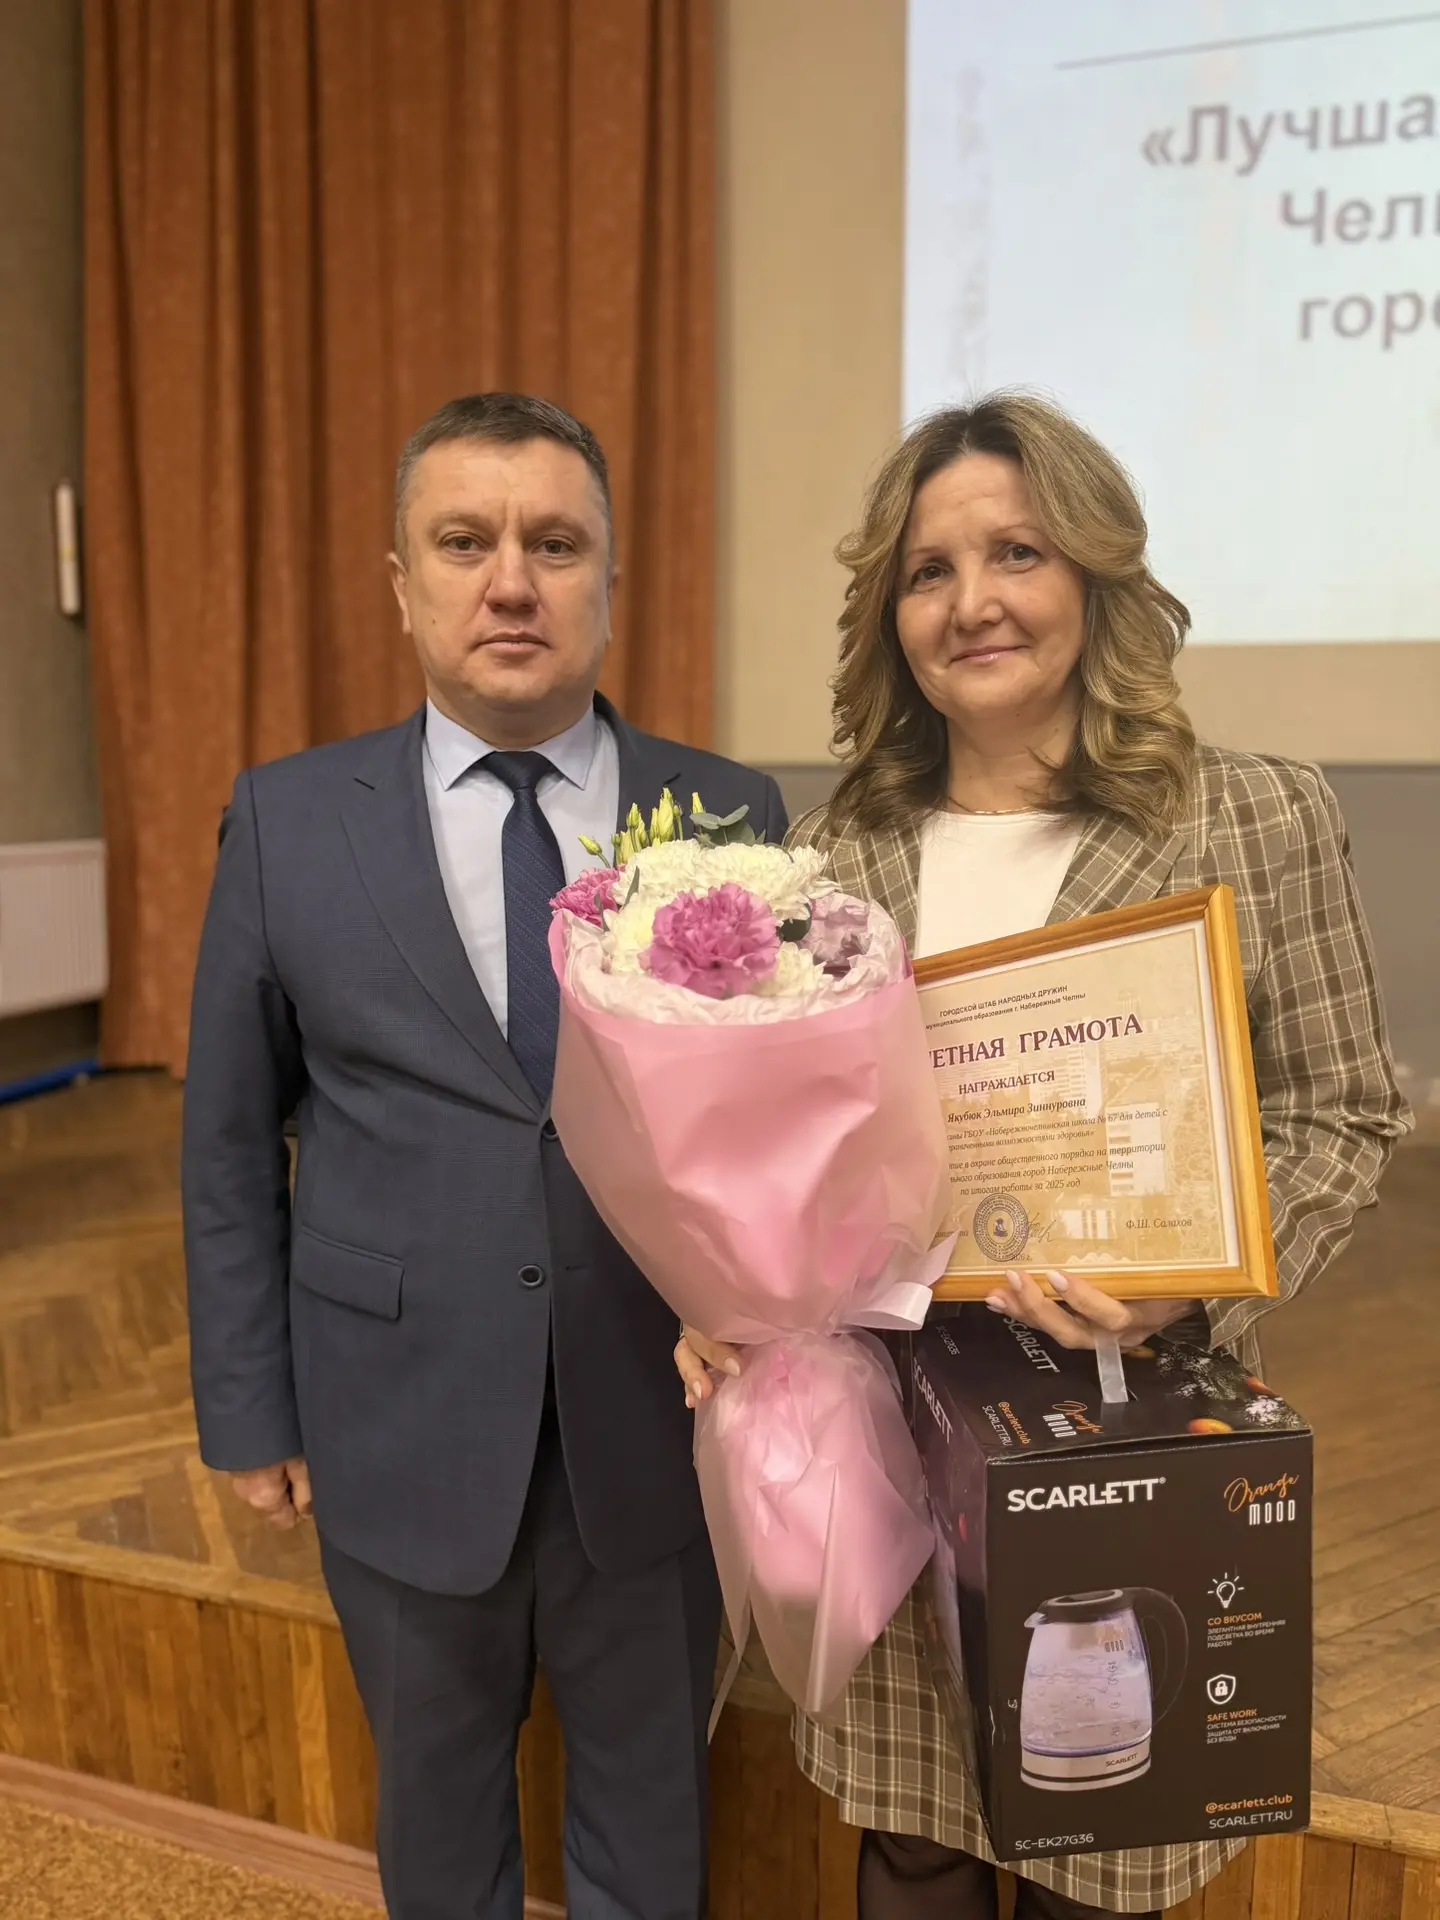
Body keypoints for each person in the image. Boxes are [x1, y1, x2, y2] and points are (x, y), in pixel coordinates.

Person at [676, 393, 1409, 1917]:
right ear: (892, 617)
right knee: (917, 1839)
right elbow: (787, 1161)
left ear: (1094, 572)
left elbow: (1341, 1110)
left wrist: (1189, 1279)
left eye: (1017, 552)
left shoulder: (1256, 814)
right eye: (929, 571)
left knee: (1106, 1845)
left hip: (1132, 1429)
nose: (974, 602)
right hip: (896, 1433)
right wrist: (730, 1296)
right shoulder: (836, 857)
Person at [183, 391, 787, 1920]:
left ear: (610, 584)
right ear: (403, 585)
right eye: (465, 542)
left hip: (659, 1423)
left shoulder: (730, 815)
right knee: (440, 1834)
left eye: (554, 544)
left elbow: (778, 1132)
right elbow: (230, 1141)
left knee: (650, 1828)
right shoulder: (287, 820)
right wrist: (248, 1407)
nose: (511, 580)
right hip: (396, 1421)